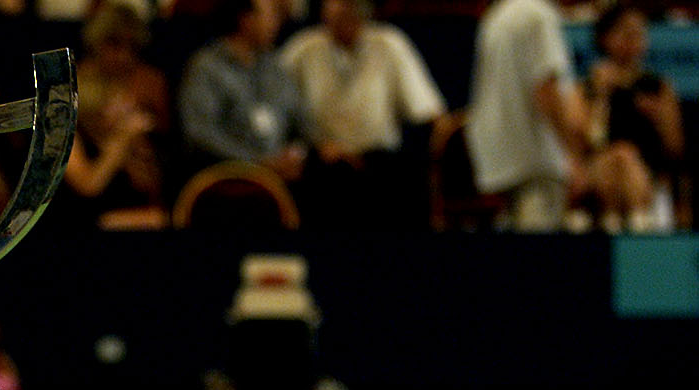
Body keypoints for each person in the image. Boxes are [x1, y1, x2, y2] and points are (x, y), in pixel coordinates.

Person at [278, 0, 447, 228]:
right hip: (323, 166)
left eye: (350, 9)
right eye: (335, 9)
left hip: (379, 165)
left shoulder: (389, 43)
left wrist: (446, 144)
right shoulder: (302, 48)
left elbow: (429, 111)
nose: (343, 14)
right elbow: (276, 110)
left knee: (406, 180)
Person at [466, 0, 588, 231]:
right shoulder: (539, 16)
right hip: (537, 162)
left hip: (499, 156)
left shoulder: (497, 15)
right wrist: (572, 154)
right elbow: (546, 89)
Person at [60, 1, 172, 230]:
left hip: (131, 219)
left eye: (132, 47)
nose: (123, 56)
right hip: (79, 225)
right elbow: (89, 186)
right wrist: (123, 137)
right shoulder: (67, 100)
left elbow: (150, 186)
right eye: (114, 44)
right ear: (96, 43)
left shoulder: (140, 89)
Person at [176, 0, 312, 188]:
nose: (277, 23)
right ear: (246, 19)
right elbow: (200, 133)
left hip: (282, 176)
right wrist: (256, 162)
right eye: (271, 15)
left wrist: (295, 154)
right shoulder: (206, 67)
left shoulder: (274, 65)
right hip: (227, 180)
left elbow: (300, 121)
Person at [582, 1, 685, 232]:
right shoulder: (588, 86)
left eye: (638, 32)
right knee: (618, 157)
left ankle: (632, 227)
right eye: (624, 32)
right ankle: (626, 227)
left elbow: (674, 148)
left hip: (645, 174)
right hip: (601, 174)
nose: (632, 39)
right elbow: (588, 142)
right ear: (605, 37)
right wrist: (601, 99)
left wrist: (657, 117)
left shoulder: (658, 87)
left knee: (626, 158)